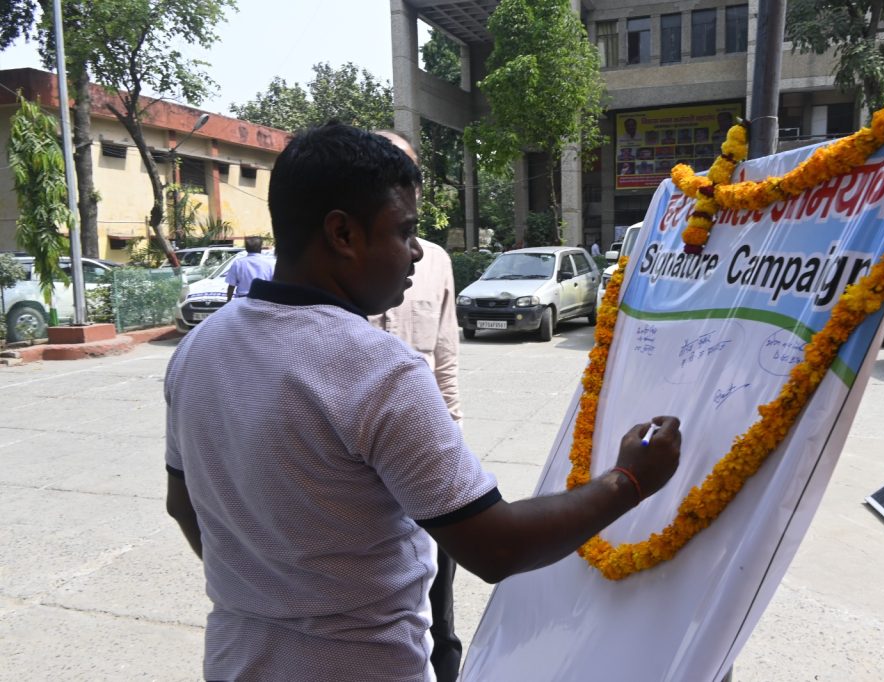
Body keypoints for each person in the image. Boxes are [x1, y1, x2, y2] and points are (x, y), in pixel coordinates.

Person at [164, 122, 682, 681]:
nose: (416, 253)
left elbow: (181, 503)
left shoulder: (198, 349)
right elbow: (494, 546)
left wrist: (270, 592)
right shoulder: (377, 367)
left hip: (235, 660)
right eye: (404, 231)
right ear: (342, 234)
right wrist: (628, 481)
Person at [369, 130, 464, 682]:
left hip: (429, 456)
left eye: (406, 173)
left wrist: (454, 440)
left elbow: (446, 358)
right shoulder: (338, 263)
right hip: (359, 463)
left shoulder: (434, 261)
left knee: (438, 612)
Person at [224, 236, 275, 301]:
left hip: (242, 300)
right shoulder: (270, 263)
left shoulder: (238, 263)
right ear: (260, 247)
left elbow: (231, 285)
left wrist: (228, 301)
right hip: (263, 300)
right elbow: (274, 284)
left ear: (246, 248)